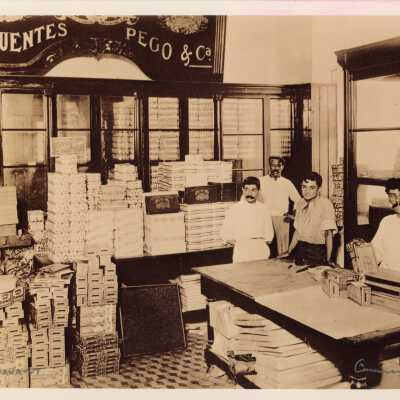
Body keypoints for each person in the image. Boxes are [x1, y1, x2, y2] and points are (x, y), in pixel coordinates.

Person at [281, 171, 337, 265]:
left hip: (318, 251)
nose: (307, 191)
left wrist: (328, 259)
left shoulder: (325, 204)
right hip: (301, 249)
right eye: (304, 187)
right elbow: (298, 231)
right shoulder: (300, 203)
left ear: (319, 189)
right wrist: (289, 251)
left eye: (312, 188)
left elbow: (328, 234)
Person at [221, 176, 274, 263]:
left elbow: (269, 236)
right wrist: (241, 244)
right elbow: (225, 234)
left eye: (253, 190)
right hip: (242, 251)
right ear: (242, 190)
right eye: (246, 189)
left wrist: (258, 244)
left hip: (260, 250)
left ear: (258, 191)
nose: (249, 193)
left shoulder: (264, 209)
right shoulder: (234, 209)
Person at [259, 156, 301, 255]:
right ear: (269, 166)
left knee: (282, 250)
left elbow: (298, 200)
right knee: (264, 246)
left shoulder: (286, 183)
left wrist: (293, 215)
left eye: (279, 165)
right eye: (273, 165)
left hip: (282, 219)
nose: (276, 168)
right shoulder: (261, 181)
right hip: (265, 218)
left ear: (282, 167)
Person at [371, 178, 400, 271]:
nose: (397, 200)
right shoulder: (387, 221)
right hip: (385, 276)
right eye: (393, 196)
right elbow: (375, 253)